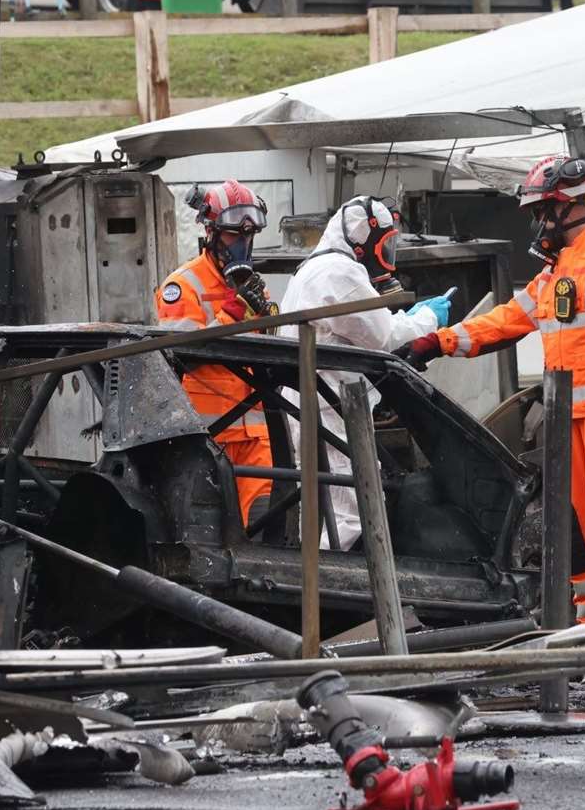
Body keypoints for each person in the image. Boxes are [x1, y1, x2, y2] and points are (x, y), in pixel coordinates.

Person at [402, 158, 585, 628]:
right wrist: (438, 341)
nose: (537, 222)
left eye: (542, 211)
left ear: (569, 207)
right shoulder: (552, 275)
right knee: (574, 533)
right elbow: (505, 322)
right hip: (567, 422)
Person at [278, 196, 449, 550]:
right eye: (384, 245)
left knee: (317, 505)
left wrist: (406, 318)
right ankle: (342, 592)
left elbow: (365, 328)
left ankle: (314, 588)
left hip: (311, 402)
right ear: (362, 237)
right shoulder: (340, 271)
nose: (386, 256)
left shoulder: (314, 267)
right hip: (329, 407)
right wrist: (428, 319)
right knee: (351, 510)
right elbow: (382, 335)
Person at [155, 181, 278, 529]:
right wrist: (232, 314)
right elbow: (184, 354)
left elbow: (268, 351)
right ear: (211, 233)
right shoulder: (182, 286)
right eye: (231, 236)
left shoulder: (255, 286)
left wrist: (266, 317)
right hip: (207, 439)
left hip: (255, 437)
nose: (241, 245)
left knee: (263, 525)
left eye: (247, 236)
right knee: (209, 532)